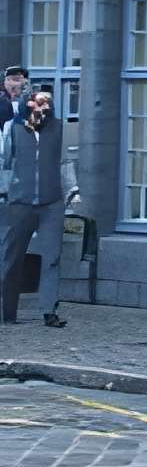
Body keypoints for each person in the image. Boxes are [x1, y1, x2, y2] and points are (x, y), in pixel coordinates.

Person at [0, 86, 78, 329]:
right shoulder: (13, 129)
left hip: (51, 201)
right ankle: (8, 310)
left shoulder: (58, 128)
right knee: (11, 258)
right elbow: (5, 162)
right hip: (20, 202)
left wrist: (73, 190)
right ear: (29, 106)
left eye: (47, 104)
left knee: (52, 257)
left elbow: (65, 162)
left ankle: (48, 311)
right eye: (40, 104)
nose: (44, 108)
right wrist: (4, 191)